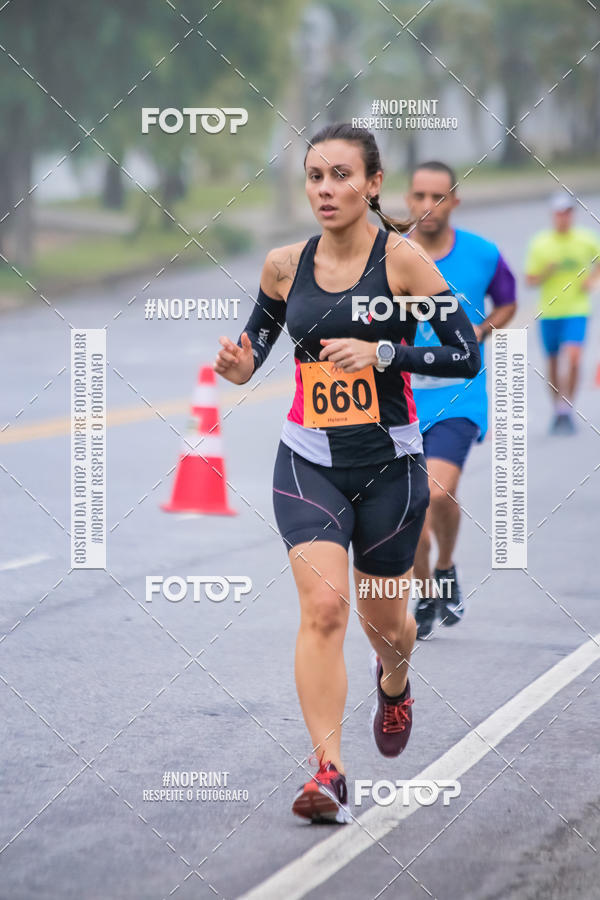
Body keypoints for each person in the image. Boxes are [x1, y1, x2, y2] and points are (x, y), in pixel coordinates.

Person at [213, 125, 480, 825]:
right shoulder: (282, 265)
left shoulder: (404, 263)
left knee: (385, 626)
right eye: (315, 176)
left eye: (340, 176)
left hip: (390, 469)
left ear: (372, 184)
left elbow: (464, 355)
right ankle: (328, 772)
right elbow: (258, 343)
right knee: (323, 609)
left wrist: (385, 353)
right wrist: (241, 366)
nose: (325, 190)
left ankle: (394, 685)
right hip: (307, 461)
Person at [405, 161, 517, 639]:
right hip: (402, 401)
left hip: (458, 396)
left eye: (437, 196)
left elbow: (508, 299)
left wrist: (479, 331)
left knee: (437, 494)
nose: (426, 206)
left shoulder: (482, 254)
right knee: (409, 512)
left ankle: (445, 565)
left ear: (453, 201)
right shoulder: (393, 254)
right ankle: (427, 589)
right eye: (418, 196)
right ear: (407, 199)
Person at [525, 192, 600, 435]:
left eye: (568, 212)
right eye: (559, 213)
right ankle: (558, 408)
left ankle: (568, 407)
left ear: (572, 215)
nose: (563, 217)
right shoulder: (541, 243)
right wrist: (546, 271)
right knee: (554, 361)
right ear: (553, 216)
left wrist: (593, 279)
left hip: (577, 309)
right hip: (549, 311)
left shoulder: (586, 240)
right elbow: (530, 279)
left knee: (575, 357)